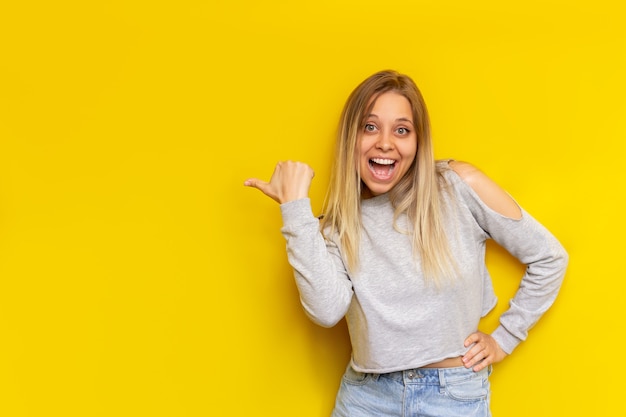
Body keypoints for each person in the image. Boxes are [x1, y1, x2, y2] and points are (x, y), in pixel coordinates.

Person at [244, 70, 568, 417]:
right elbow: (326, 311)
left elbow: (549, 257)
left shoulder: (458, 187)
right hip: (366, 399)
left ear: (418, 141)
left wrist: (505, 338)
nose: (385, 142)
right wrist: (295, 210)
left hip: (453, 396)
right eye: (370, 127)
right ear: (350, 138)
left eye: (402, 130)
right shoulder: (335, 228)